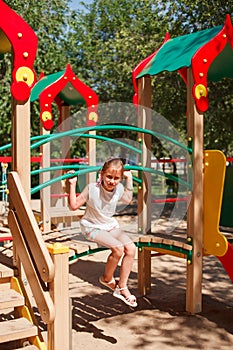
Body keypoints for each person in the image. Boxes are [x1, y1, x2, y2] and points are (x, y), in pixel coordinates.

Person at [68, 157, 137, 307]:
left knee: (131, 249)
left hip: (109, 225)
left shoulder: (118, 189)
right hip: (91, 227)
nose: (112, 181)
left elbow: (127, 200)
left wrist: (129, 179)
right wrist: (72, 185)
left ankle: (122, 287)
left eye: (116, 178)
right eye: (109, 177)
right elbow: (74, 206)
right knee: (118, 249)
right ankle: (107, 279)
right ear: (102, 174)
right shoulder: (92, 188)